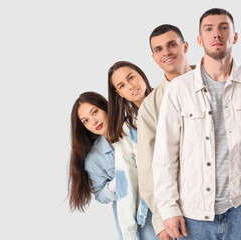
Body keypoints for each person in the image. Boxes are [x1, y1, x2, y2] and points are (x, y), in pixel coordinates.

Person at [152, 8, 241, 239]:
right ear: (200, 40)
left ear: (234, 36)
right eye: (208, 29)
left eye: (223, 27)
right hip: (193, 216)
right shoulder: (179, 89)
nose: (216, 34)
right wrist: (168, 209)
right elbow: (164, 155)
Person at [137, 24, 194, 240]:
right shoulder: (151, 106)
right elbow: (147, 166)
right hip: (183, 213)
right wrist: (161, 220)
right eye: (159, 49)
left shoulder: (216, 81)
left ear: (185, 46)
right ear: (153, 57)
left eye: (172, 44)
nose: (166, 52)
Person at [107, 60, 158, 239]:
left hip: (191, 204)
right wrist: (129, 233)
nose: (130, 86)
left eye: (131, 77)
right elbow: (126, 181)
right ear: (118, 92)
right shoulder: (126, 132)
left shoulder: (170, 101)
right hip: (152, 213)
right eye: (122, 85)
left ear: (141, 74)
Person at [68, 91, 123, 239]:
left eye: (95, 112)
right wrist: (115, 185)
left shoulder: (133, 127)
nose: (93, 121)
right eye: (85, 121)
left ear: (105, 108)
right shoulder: (94, 159)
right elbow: (100, 195)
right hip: (133, 221)